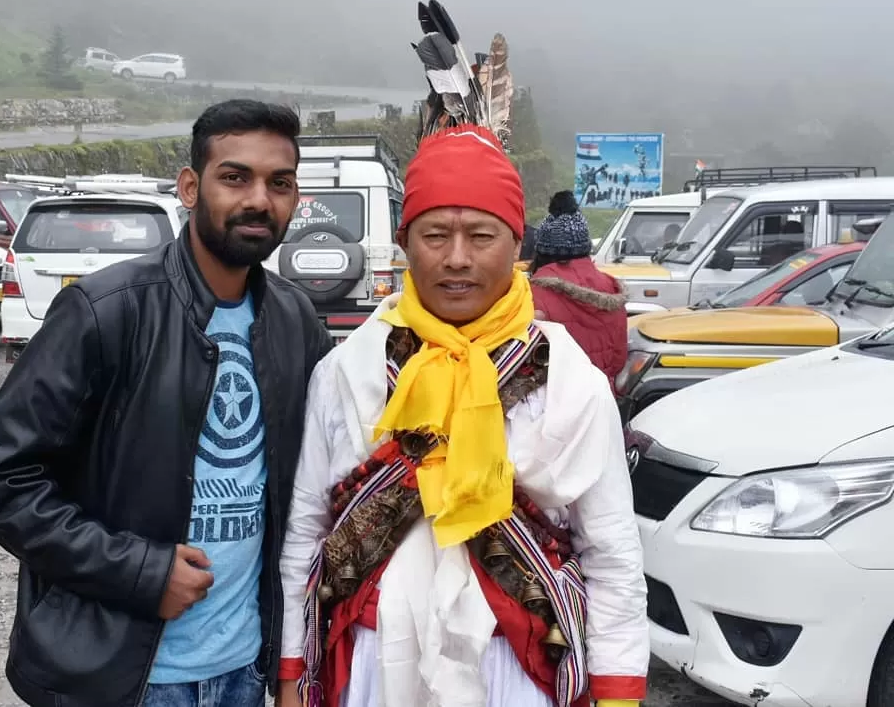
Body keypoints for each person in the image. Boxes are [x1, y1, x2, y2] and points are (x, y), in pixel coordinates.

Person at [0, 99, 334, 707]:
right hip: (125, 676)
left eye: (279, 183)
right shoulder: (108, 311)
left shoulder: (296, 322)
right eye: (234, 177)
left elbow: (315, 491)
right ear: (190, 186)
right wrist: (138, 571)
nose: (259, 200)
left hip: (245, 670)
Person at [275, 125, 648, 707]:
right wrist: (292, 671)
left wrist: (619, 689)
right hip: (373, 664)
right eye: (434, 235)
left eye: (480, 235)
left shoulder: (570, 381)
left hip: (516, 670)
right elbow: (307, 529)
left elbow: (611, 551)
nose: (456, 258)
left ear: (517, 243)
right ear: (405, 241)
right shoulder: (351, 370)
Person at [530, 191, 628, 391]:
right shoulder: (612, 288)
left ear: (542, 250)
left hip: (554, 405)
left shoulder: (534, 293)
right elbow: (618, 361)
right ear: (585, 247)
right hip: (602, 400)